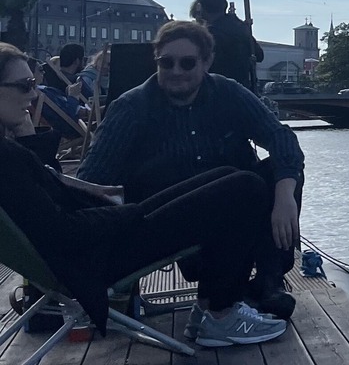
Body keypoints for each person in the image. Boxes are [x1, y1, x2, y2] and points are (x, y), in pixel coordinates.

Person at [0, 43, 286, 347]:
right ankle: (221, 316)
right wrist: (128, 210)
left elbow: (48, 188)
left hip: (94, 245)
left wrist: (25, 133)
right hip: (94, 258)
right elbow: (63, 231)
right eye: (24, 85)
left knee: (226, 176)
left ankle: (207, 310)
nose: (33, 94)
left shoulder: (9, 154)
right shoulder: (5, 161)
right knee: (245, 188)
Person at [78, 20, 305, 320]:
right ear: (156, 61)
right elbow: (91, 180)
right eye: (167, 63)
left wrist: (285, 195)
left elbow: (281, 137)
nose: (176, 71)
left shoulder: (228, 93)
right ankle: (220, 307)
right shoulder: (131, 108)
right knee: (245, 185)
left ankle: (269, 279)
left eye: (187, 63)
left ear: (207, 61)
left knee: (281, 170)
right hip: (171, 222)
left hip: (236, 215)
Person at [192, 0, 264, 91]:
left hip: (216, 92)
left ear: (201, 7)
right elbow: (259, 55)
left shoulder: (207, 35)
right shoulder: (240, 28)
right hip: (243, 92)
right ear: (225, 5)